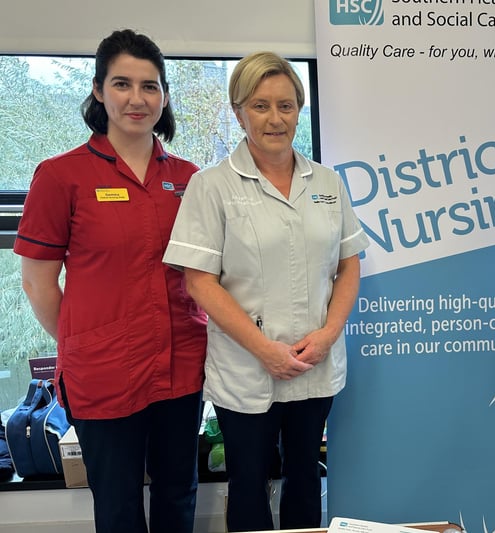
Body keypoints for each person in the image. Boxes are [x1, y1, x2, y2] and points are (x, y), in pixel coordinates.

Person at [163, 51, 369, 532]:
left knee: (304, 476)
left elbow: (349, 265)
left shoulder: (328, 183)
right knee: (249, 482)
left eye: (286, 105)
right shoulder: (210, 186)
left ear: (300, 109)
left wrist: (328, 335)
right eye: (260, 106)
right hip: (246, 367)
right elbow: (198, 280)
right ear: (238, 112)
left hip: (314, 362)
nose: (275, 119)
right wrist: (264, 351)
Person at [14, 29, 207, 533]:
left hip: (180, 364)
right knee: (118, 507)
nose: (137, 99)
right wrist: (85, 343)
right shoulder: (61, 176)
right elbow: (37, 283)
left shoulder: (189, 177)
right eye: (122, 84)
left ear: (164, 96)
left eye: (150, 86)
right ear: (99, 90)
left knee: (178, 496)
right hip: (103, 373)